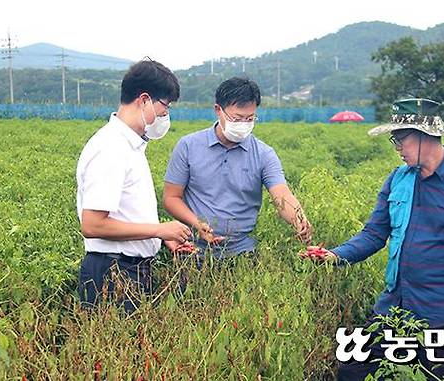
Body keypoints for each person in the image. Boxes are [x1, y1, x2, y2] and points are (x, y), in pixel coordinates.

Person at [313, 99, 444, 380]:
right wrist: (335, 256)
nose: (397, 148)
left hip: (439, 312)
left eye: (401, 139)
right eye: (393, 140)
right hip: (394, 305)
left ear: (427, 135)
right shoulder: (398, 179)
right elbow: (374, 234)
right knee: (352, 369)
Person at [76, 59, 192, 313]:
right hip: (112, 271)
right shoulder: (111, 148)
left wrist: (159, 236)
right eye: (165, 106)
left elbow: (127, 214)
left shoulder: (131, 146)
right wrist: (159, 229)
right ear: (144, 100)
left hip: (131, 269)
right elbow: (93, 224)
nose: (165, 115)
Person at [163, 77, 312, 259]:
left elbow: (282, 196)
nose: (243, 125)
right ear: (218, 110)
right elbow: (171, 198)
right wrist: (197, 223)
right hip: (192, 249)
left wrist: (299, 220)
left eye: (249, 119)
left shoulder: (264, 154)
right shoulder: (188, 146)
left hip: (242, 251)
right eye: (237, 118)